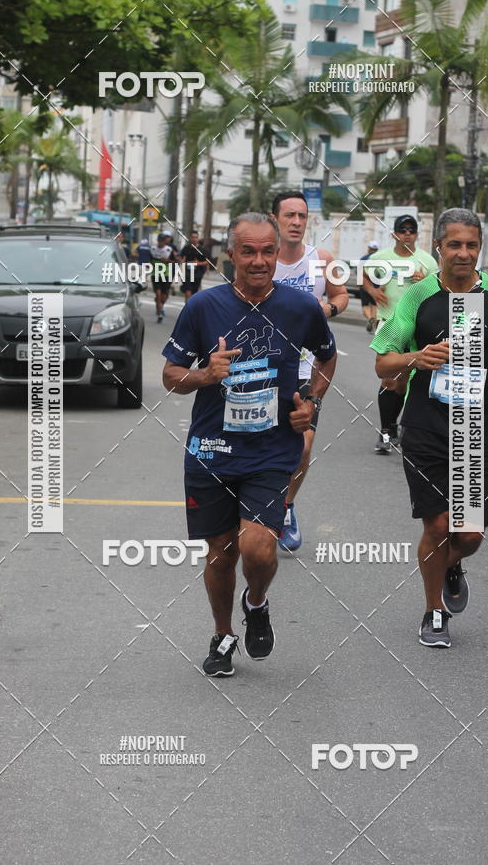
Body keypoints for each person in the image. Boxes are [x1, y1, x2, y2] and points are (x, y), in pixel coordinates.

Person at [162, 212, 337, 677]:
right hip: (212, 450)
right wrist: (205, 374)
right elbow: (170, 376)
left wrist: (312, 403)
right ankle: (222, 636)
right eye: (248, 252)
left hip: (272, 450)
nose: (258, 261)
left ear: (277, 253)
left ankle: (256, 602)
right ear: (231, 255)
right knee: (221, 552)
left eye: (267, 251)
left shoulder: (300, 308)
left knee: (259, 549)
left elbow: (327, 356)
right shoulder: (203, 307)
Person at [371, 208, 488, 647]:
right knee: (438, 526)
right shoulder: (418, 296)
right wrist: (416, 357)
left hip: (476, 427)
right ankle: (433, 610)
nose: (463, 253)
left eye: (471, 245)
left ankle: (451, 563)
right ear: (437, 246)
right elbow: (383, 361)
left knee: (469, 534)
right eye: (454, 244)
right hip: (426, 424)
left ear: (480, 248)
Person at [272, 190, 349, 552]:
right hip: (265, 367)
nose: (296, 222)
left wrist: (327, 310)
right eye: (289, 215)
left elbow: (341, 296)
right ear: (275, 219)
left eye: (302, 216)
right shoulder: (263, 260)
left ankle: (286, 507)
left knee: (303, 446)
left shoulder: (321, 260)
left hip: (307, 367)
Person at [362, 215, 437, 455]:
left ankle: (395, 425)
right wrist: (374, 292)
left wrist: (425, 281)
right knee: (388, 379)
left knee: (404, 381)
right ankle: (385, 431)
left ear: (417, 235)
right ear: (394, 234)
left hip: (415, 325)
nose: (407, 234)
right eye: (402, 230)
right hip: (389, 323)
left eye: (411, 230)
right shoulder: (380, 258)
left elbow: (439, 289)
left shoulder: (427, 261)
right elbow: (364, 275)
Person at [180, 230, 210, 300]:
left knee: (195, 294)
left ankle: (193, 305)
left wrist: (198, 263)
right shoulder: (186, 248)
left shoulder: (202, 250)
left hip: (197, 274)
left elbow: (208, 261)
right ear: (190, 238)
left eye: (196, 237)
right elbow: (182, 259)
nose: (194, 239)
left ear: (198, 238)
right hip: (187, 274)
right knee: (187, 291)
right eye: (193, 237)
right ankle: (188, 306)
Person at [153, 233, 176, 322]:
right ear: (157, 241)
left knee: (163, 296)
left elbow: (175, 261)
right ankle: (159, 314)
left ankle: (159, 303)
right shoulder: (153, 249)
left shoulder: (169, 249)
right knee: (158, 294)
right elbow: (149, 260)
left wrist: (167, 260)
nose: (161, 242)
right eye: (159, 241)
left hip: (166, 275)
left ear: (165, 241)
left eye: (162, 241)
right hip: (155, 274)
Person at [360, 240, 379, 332]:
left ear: (369, 249)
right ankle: (374, 321)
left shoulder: (363, 259)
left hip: (364, 285)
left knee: (365, 305)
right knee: (375, 305)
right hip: (376, 286)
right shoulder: (380, 259)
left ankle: (369, 318)